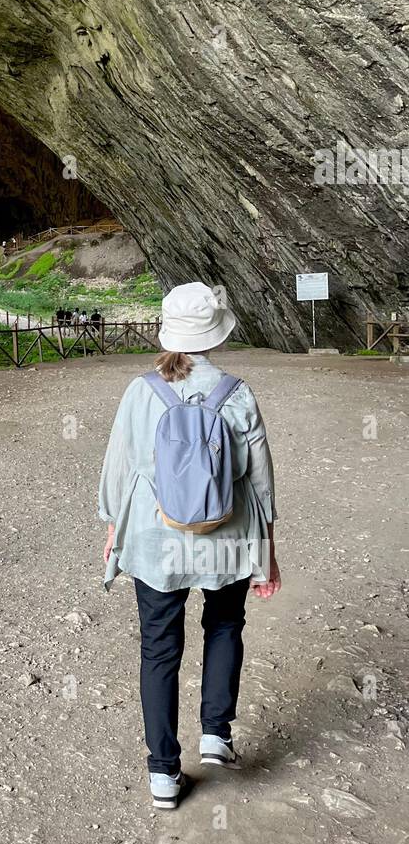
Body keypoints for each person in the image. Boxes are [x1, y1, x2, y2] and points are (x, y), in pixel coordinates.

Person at [97, 282, 280, 810]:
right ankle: (215, 733)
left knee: (159, 648)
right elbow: (258, 480)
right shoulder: (237, 392)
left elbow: (121, 467)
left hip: (157, 540)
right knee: (224, 625)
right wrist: (266, 550)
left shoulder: (140, 392)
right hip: (227, 535)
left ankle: (162, 773)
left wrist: (114, 528)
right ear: (214, 336)